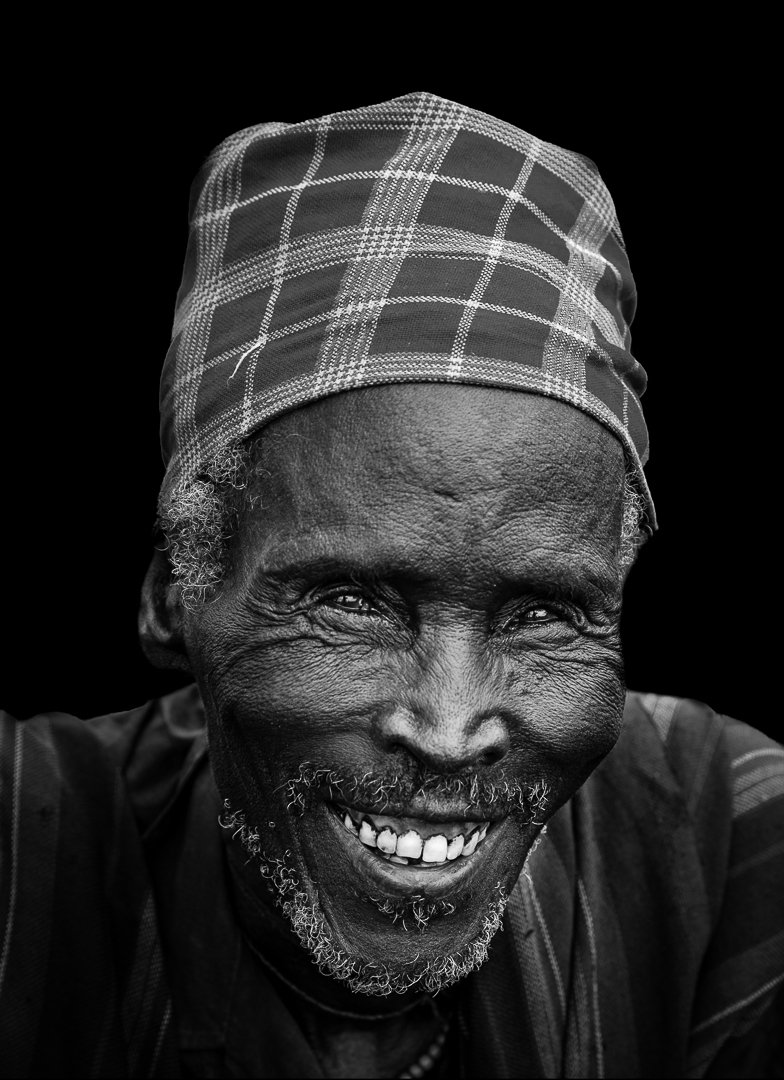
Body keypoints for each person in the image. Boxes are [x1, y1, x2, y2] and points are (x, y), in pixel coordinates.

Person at [1, 91, 781, 1079]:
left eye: (541, 613)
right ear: (174, 595)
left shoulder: (730, 841)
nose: (452, 729)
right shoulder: (30, 852)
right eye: (350, 603)